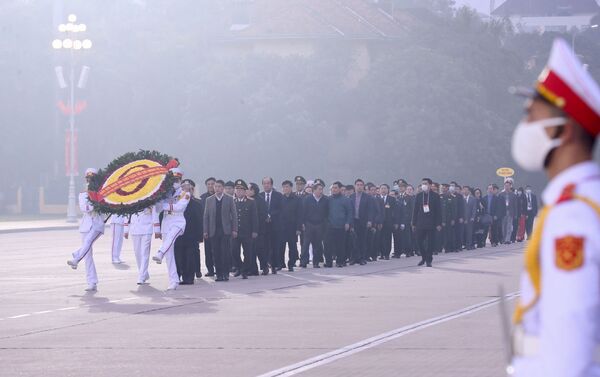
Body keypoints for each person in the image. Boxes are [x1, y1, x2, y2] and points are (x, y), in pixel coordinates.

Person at [510, 38, 600, 377]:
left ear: (566, 130)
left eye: (532, 115)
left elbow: (569, 330)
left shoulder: (572, 214)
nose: (525, 125)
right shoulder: (585, 201)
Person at [67, 168, 106, 292]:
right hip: (85, 225)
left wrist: (98, 200)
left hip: (97, 225)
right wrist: (96, 202)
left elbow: (105, 206)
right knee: (88, 254)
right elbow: (85, 208)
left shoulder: (102, 192)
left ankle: (76, 258)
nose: (89, 181)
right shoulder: (82, 194)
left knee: (88, 242)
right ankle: (92, 282)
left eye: (92, 178)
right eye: (88, 178)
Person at [151, 168, 190, 290]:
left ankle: (160, 253)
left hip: (178, 221)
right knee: (170, 254)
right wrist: (154, 199)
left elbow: (179, 207)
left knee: (170, 239)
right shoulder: (165, 193)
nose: (175, 182)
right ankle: (173, 280)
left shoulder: (185, 193)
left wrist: (164, 206)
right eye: (173, 179)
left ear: (181, 180)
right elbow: (157, 209)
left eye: (177, 179)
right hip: (166, 222)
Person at [203, 180, 238, 282]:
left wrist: (235, 229)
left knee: (225, 253)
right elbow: (206, 216)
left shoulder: (229, 199)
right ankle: (218, 274)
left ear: (223, 188)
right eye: (216, 187)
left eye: (219, 187)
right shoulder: (209, 200)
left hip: (225, 230)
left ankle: (225, 274)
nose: (217, 188)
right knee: (216, 253)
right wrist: (205, 230)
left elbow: (234, 215)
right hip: (213, 231)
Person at [173, 179, 204, 285]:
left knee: (189, 258)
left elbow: (200, 221)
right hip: (178, 236)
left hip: (191, 236)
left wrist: (200, 236)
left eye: (188, 189)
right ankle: (177, 276)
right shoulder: (175, 204)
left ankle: (189, 278)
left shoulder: (197, 204)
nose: (186, 191)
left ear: (192, 190)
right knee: (178, 258)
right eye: (183, 189)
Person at [124, 204, 160, 285]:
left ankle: (141, 276)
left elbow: (155, 213)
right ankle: (144, 273)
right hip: (135, 228)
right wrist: (126, 230)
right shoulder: (131, 197)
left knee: (145, 253)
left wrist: (157, 230)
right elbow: (127, 215)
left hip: (147, 228)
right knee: (138, 254)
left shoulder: (150, 198)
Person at [412, 178, 442, 267]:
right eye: (422, 184)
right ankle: (424, 257)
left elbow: (439, 211)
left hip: (431, 222)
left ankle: (429, 259)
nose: (423, 185)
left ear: (430, 185)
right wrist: (413, 223)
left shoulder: (435, 196)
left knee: (430, 242)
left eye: (425, 183)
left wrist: (439, 223)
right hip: (420, 222)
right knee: (419, 241)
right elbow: (415, 210)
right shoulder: (418, 195)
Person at [231, 180, 258, 279]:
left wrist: (255, 231)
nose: (239, 192)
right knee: (234, 251)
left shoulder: (251, 202)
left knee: (248, 253)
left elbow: (254, 218)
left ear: (245, 191)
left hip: (247, 232)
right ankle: (239, 267)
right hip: (235, 232)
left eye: (241, 190)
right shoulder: (232, 201)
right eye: (237, 189)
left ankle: (245, 270)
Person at [300, 181, 328, 268]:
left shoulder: (325, 200)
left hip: (319, 224)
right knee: (305, 244)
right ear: (314, 190)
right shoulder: (307, 199)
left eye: (322, 189)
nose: (321, 191)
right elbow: (303, 212)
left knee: (317, 244)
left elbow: (326, 213)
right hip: (309, 224)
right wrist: (303, 223)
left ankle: (316, 262)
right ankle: (303, 261)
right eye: (319, 189)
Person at [259, 177, 283, 274]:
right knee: (264, 247)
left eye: (268, 183)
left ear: (272, 185)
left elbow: (281, 209)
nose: (266, 185)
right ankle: (264, 266)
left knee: (274, 246)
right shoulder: (260, 196)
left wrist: (270, 215)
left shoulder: (278, 196)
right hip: (263, 226)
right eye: (264, 183)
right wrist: (265, 216)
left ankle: (274, 265)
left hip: (275, 225)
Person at [325, 181, 352, 267]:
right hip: (330, 226)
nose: (334, 189)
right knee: (328, 245)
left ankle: (340, 261)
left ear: (340, 189)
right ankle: (328, 262)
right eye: (333, 188)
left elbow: (350, 212)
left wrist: (347, 222)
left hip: (341, 226)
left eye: (336, 188)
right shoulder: (328, 199)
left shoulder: (346, 200)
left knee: (340, 245)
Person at [349, 179, 375, 265]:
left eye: (361, 185)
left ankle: (362, 258)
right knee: (353, 240)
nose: (359, 186)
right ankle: (353, 258)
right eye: (357, 185)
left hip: (363, 221)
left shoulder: (368, 197)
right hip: (354, 221)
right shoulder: (351, 196)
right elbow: (349, 210)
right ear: (355, 186)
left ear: (363, 186)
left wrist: (370, 221)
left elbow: (371, 210)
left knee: (362, 240)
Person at [280, 180, 302, 271]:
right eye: (284, 187)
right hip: (282, 227)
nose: (285, 188)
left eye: (287, 187)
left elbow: (299, 214)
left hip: (292, 227)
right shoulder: (280, 199)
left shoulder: (297, 199)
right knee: (281, 246)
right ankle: (281, 263)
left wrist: (298, 228)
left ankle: (291, 263)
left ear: (291, 188)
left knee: (292, 246)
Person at [247, 182, 267, 275]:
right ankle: (253, 269)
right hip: (248, 230)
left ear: (254, 190)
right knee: (251, 251)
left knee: (260, 250)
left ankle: (264, 267)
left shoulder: (260, 200)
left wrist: (256, 228)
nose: (247, 191)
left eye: (249, 189)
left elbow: (263, 215)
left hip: (259, 230)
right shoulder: (247, 200)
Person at [201, 177, 216, 276]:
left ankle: (220, 268)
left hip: (218, 228)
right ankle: (210, 269)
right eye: (209, 184)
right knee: (208, 250)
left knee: (218, 250)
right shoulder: (203, 198)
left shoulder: (219, 196)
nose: (210, 186)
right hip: (207, 228)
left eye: (212, 184)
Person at [378, 184, 396, 260]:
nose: (383, 190)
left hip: (388, 222)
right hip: (379, 222)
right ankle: (381, 253)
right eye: (382, 188)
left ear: (388, 190)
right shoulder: (376, 198)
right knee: (380, 238)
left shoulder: (392, 199)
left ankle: (387, 254)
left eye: (385, 188)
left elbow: (394, 211)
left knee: (387, 238)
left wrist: (394, 221)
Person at [498, 179, 517, 244]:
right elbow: (499, 205)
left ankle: (507, 239)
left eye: (508, 186)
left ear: (510, 186)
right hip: (503, 212)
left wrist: (515, 214)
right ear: (504, 186)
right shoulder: (501, 194)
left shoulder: (513, 195)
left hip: (510, 212)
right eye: (505, 186)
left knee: (509, 226)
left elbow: (515, 205)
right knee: (503, 226)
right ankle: (503, 238)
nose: (507, 187)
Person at [440, 183, 457, 253]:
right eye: (442, 188)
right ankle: (443, 247)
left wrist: (453, 219)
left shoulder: (452, 197)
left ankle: (450, 247)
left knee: (450, 234)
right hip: (442, 218)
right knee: (443, 234)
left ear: (447, 188)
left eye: (444, 188)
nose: (443, 189)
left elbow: (454, 209)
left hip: (449, 219)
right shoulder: (440, 197)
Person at [463, 186, 477, 250]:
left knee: (469, 232)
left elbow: (474, 209)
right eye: (464, 190)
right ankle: (464, 244)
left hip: (469, 218)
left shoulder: (473, 199)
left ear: (469, 191)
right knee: (463, 232)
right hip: (462, 218)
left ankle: (469, 245)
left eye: (466, 190)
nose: (465, 191)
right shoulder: (461, 198)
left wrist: (472, 217)